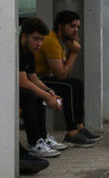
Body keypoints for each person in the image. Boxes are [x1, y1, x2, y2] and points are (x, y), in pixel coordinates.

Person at [35, 10, 99, 147]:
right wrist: (74, 53)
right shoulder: (51, 41)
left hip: (43, 78)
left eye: (78, 27)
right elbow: (61, 75)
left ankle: (80, 127)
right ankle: (72, 133)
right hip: (36, 80)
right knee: (69, 86)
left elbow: (66, 74)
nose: (76, 30)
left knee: (76, 84)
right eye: (72, 26)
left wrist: (71, 51)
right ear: (61, 27)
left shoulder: (60, 42)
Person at [19, 18, 65, 158]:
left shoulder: (30, 52)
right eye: (36, 39)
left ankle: (42, 137)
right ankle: (34, 143)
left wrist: (48, 92)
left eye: (41, 40)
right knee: (30, 94)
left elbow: (32, 77)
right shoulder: (17, 50)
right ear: (24, 36)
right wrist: (46, 96)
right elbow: (23, 82)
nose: (39, 44)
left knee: (39, 93)